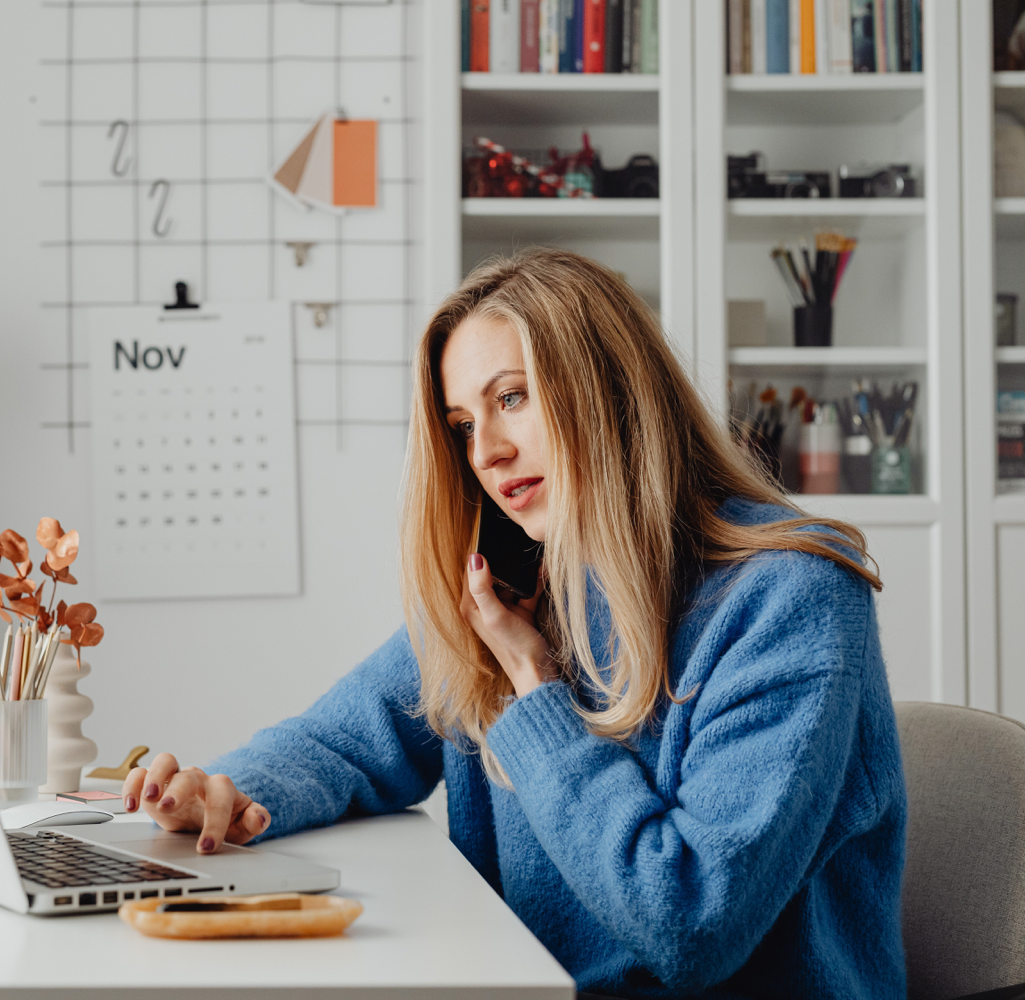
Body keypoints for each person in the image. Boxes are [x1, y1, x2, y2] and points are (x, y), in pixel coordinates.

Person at [120, 249, 907, 999]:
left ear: (613, 392)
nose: (487, 454)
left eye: (511, 398)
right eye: (463, 425)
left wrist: (534, 690)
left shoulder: (791, 599)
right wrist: (222, 792)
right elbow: (345, 741)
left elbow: (690, 921)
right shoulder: (525, 586)